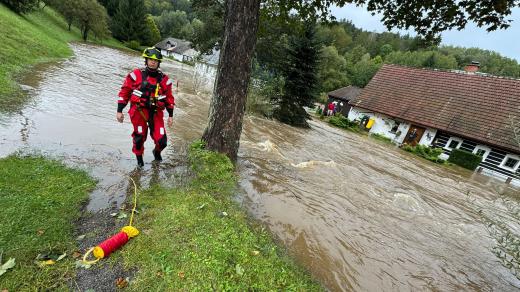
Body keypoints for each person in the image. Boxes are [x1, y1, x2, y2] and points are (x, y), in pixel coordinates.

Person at [116, 47, 175, 167]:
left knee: (162, 141)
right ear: (146, 60)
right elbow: (124, 93)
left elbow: (169, 98)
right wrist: (119, 111)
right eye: (150, 59)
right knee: (139, 138)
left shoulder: (165, 80)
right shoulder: (135, 75)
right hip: (139, 112)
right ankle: (140, 163)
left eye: (155, 60)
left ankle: (157, 152)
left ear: (159, 62)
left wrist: (170, 115)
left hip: (156, 113)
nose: (153, 62)